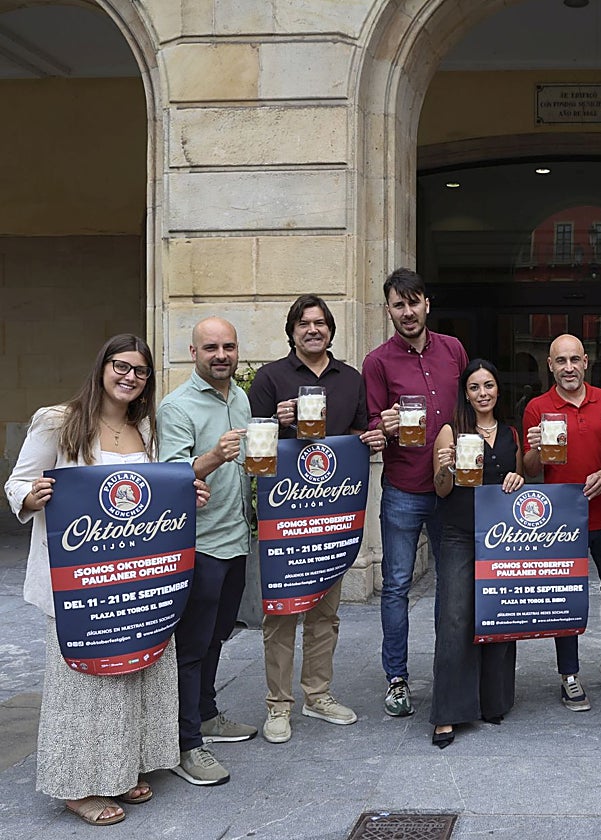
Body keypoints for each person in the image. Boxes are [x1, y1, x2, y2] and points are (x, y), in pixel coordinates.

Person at [5, 335, 208, 825]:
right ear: (102, 367)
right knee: (86, 685)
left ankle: (122, 769)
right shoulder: (59, 422)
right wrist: (33, 497)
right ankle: (77, 786)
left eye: (140, 371)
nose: (129, 377)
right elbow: (15, 482)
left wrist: (186, 495)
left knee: (137, 671)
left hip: (138, 578)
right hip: (80, 581)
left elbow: (151, 493)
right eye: (121, 366)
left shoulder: (147, 428)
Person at [248, 294, 387, 744]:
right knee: (282, 612)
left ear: (331, 329)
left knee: (326, 613)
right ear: (291, 330)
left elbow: (357, 431)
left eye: (321, 323)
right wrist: (275, 420)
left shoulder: (350, 378)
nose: (313, 330)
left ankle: (318, 694)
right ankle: (277, 704)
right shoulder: (270, 378)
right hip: (286, 515)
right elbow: (253, 443)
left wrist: (370, 437)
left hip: (332, 513)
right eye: (304, 323)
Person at [364, 268, 468, 717]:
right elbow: (370, 422)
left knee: (454, 585)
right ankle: (398, 678)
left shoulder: (454, 350)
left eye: (414, 302)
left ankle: (452, 671)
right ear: (388, 310)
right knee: (397, 587)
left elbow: (469, 407)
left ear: (427, 303)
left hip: (452, 489)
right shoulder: (377, 362)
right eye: (398, 304)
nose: (407, 312)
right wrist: (381, 426)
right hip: (404, 488)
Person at [158, 317, 258, 786]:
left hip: (235, 536)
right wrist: (216, 455)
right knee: (191, 646)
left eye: (229, 347)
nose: (222, 355)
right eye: (211, 348)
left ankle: (207, 712)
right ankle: (186, 743)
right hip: (198, 544)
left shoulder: (239, 397)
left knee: (219, 633)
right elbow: (173, 478)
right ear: (194, 353)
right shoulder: (176, 407)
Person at [522, 334, 601, 711]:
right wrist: (533, 448)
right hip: (560, 519)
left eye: (574, 360)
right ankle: (568, 673)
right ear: (550, 366)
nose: (568, 367)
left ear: (586, 361)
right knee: (565, 597)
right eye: (560, 361)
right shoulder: (537, 407)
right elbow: (530, 469)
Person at [429, 359, 524, 748]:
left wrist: (518, 478)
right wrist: (446, 470)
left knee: (499, 613)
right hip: (459, 533)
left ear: (497, 389)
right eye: (474, 387)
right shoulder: (452, 430)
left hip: (500, 535)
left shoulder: (512, 433)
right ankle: (447, 713)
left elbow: (515, 480)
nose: (482, 393)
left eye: (488, 385)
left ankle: (493, 702)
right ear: (465, 393)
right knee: (455, 617)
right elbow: (440, 490)